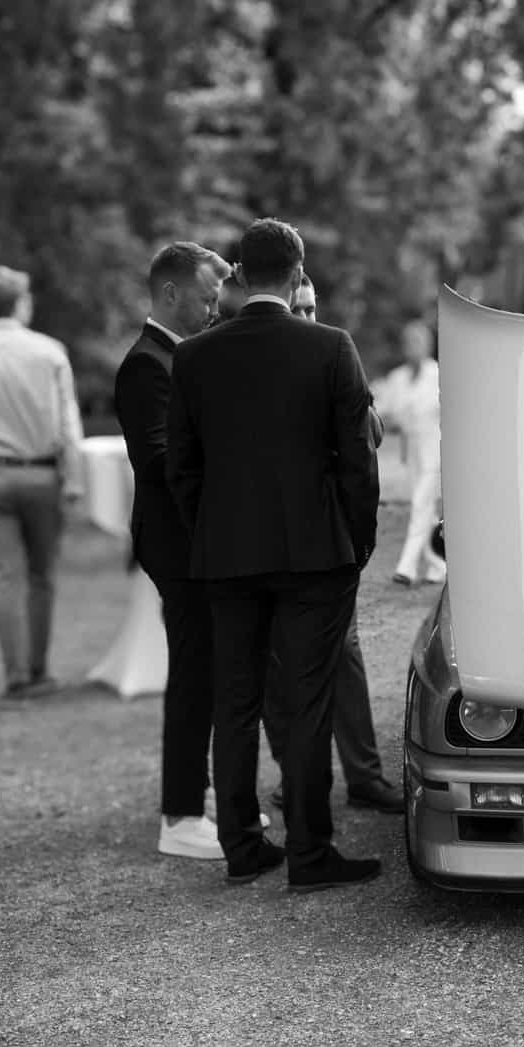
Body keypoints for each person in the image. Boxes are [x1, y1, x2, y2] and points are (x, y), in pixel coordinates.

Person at [167, 218, 381, 891]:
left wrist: (212, 531)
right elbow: (358, 464)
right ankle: (311, 854)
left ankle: (242, 847)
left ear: (238, 271)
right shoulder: (329, 347)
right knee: (308, 700)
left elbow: (182, 467)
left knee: (235, 701)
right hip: (315, 552)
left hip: (227, 555)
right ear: (296, 274)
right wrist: (358, 541)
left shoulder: (195, 357)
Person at [259, 271, 405, 815]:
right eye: (295, 309)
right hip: (269, 535)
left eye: (311, 309)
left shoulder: (334, 353)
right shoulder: (257, 361)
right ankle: (294, 773)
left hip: (329, 535)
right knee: (273, 659)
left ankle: (364, 775)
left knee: (343, 652)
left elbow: (372, 433)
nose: (305, 320)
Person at [113, 242, 232, 860]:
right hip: (175, 541)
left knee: (206, 670)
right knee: (192, 673)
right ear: (170, 293)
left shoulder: (179, 356)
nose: (214, 309)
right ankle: (180, 815)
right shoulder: (146, 365)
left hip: (196, 538)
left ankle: (201, 796)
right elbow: (158, 460)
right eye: (208, 298)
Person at [0, 264, 85, 700]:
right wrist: (74, 479)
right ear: (20, 302)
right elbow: (68, 424)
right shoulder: (49, 352)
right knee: (42, 576)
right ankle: (39, 671)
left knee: (7, 579)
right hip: (42, 475)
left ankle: (16, 675)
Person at [381, 319, 446, 587]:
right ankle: (438, 565)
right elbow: (385, 411)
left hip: (436, 450)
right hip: (412, 453)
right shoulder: (397, 378)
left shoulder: (439, 374)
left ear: (428, 344)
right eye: (408, 342)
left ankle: (406, 567)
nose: (412, 346)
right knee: (426, 510)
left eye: (417, 341)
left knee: (420, 504)